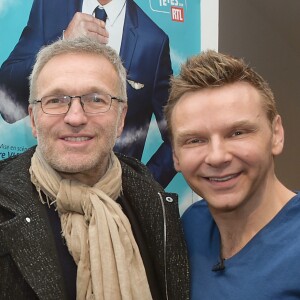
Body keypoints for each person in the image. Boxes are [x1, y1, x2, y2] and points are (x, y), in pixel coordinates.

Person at [0, 36, 189, 300]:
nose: (75, 117)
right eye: (55, 100)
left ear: (121, 118)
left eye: (96, 99)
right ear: (33, 119)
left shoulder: (155, 204)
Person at [164, 50, 300, 299]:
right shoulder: (191, 227)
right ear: (175, 155)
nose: (217, 157)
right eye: (195, 140)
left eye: (238, 133)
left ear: (276, 135)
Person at [0, 0, 175, 188]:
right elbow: (6, 103)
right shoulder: (49, 6)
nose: (77, 118)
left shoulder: (153, 40)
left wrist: (141, 190)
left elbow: (177, 134)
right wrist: (62, 41)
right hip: (42, 193)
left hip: (115, 206)